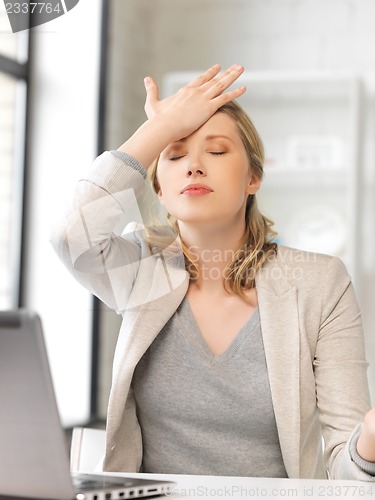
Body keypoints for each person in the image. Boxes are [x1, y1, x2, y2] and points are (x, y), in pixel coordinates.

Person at [51, 64, 375, 480]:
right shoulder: (139, 265)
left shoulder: (319, 281)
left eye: (218, 151)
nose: (194, 166)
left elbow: (345, 473)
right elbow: (69, 236)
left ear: (253, 177)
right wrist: (158, 130)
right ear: (159, 188)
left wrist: (368, 439)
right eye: (176, 153)